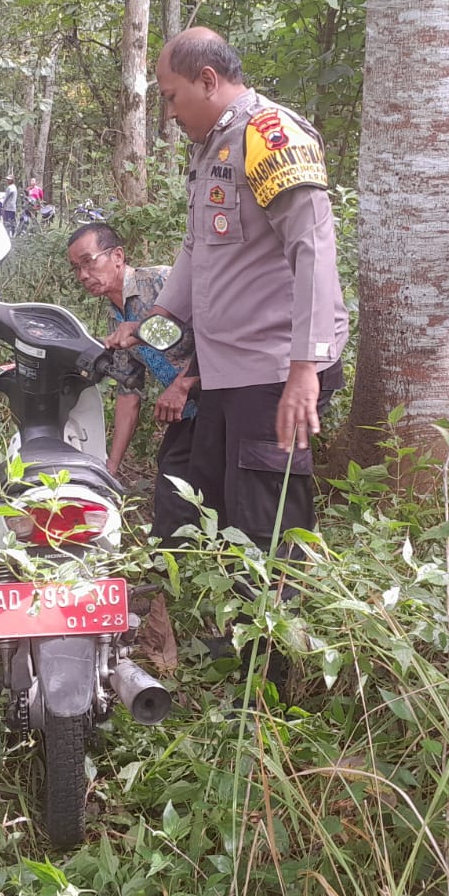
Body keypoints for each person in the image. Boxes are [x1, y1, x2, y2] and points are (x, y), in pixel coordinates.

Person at [109, 27, 348, 552]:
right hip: (224, 370)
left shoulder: (270, 134)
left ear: (207, 80)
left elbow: (312, 248)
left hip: (273, 369)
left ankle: (274, 608)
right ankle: (222, 606)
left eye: (172, 96)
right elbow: (198, 248)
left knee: (266, 524)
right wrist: (156, 319)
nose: (170, 112)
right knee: (213, 507)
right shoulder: (210, 147)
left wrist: (305, 368)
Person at [66, 223, 199, 542]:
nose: (83, 275)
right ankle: (177, 556)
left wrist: (182, 384)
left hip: (222, 393)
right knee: (173, 475)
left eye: (88, 262)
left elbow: (219, 332)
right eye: (76, 268)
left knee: (187, 479)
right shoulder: (116, 317)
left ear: (117, 256)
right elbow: (129, 393)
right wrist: (110, 467)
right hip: (189, 410)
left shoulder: (163, 282)